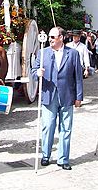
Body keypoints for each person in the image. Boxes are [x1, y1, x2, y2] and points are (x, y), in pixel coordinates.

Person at [30, 27, 83, 170]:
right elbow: (33, 72)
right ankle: (45, 155)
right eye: (49, 37)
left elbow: (78, 77)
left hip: (67, 95)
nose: (50, 39)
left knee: (66, 128)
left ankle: (63, 159)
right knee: (48, 126)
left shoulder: (73, 54)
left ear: (61, 37)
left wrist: (79, 96)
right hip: (49, 94)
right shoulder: (43, 53)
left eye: (53, 37)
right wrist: (37, 73)